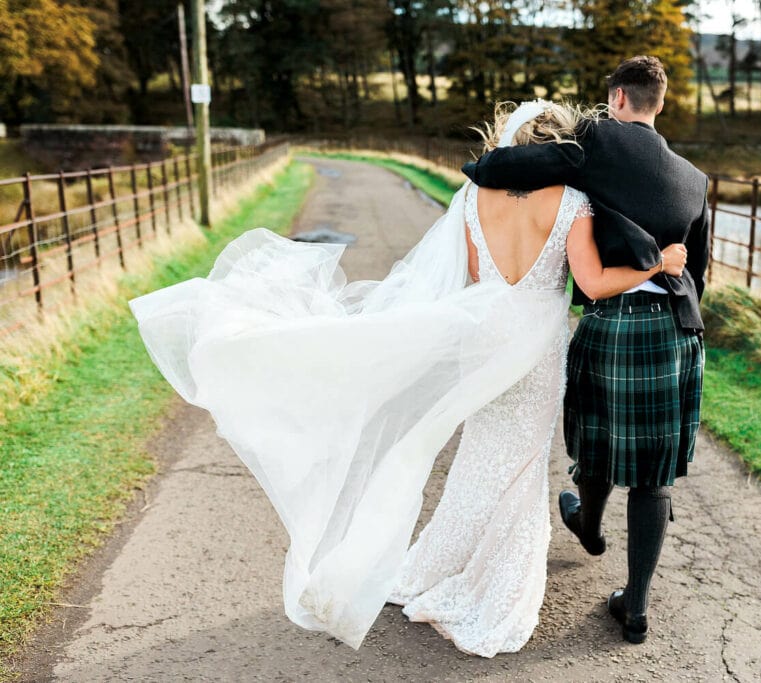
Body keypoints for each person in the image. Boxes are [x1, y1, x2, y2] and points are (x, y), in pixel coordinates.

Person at [129, 99, 687, 657]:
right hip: (539, 343)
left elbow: (474, 276)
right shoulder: (572, 202)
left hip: (489, 332)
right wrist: (657, 264)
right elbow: (590, 283)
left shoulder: (474, 197)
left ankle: (440, 563)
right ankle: (494, 587)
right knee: (522, 461)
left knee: (479, 452)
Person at [462, 56, 711, 644]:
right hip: (677, 327)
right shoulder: (695, 179)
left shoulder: (595, 141)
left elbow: (499, 166)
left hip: (614, 315)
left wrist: (484, 163)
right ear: (659, 103)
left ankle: (589, 525)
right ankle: (637, 606)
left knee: (597, 438)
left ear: (617, 98)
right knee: (654, 475)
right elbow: (697, 270)